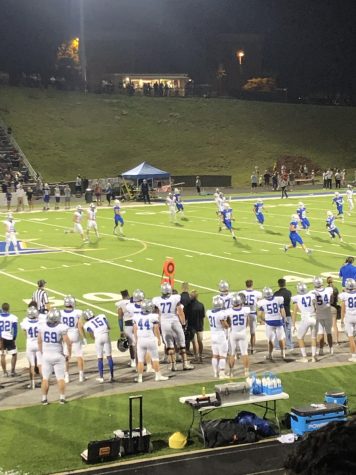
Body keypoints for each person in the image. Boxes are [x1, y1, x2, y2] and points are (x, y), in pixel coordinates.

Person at [152, 283, 194, 372]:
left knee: (169, 345)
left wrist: (157, 324)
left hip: (164, 322)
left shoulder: (157, 300)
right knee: (182, 343)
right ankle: (185, 363)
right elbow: (180, 312)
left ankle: (172, 365)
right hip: (174, 321)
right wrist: (183, 324)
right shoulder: (175, 298)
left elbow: (156, 314)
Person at [38, 309, 71, 404]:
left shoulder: (42, 327)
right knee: (60, 378)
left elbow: (39, 341)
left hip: (46, 356)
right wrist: (68, 353)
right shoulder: (61, 327)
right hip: (58, 355)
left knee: (45, 378)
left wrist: (42, 352)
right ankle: (62, 398)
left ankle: (44, 399)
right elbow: (67, 342)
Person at [133, 300, 168, 383]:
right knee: (155, 358)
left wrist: (136, 339)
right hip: (150, 339)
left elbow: (135, 329)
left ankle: (140, 378)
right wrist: (159, 339)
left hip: (140, 339)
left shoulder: (136, 316)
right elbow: (156, 328)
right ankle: (157, 376)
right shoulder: (153, 316)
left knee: (141, 360)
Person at [82, 309, 114, 383]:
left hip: (98, 338)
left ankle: (101, 377)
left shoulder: (87, 324)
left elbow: (91, 333)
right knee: (109, 356)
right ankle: (112, 376)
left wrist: (96, 338)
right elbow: (108, 326)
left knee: (100, 358)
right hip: (106, 335)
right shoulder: (101, 316)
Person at [60, 295, 86, 383]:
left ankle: (66, 375)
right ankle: (81, 375)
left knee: (66, 356)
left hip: (65, 335)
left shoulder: (60, 313)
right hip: (75, 334)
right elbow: (79, 325)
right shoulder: (77, 312)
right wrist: (83, 336)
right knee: (79, 355)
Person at [225, 293, 250, 377]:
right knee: (244, 353)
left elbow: (228, 323)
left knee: (232, 353)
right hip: (243, 333)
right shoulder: (246, 310)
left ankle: (231, 372)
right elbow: (247, 322)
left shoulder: (229, 311)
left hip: (233, 333)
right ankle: (246, 371)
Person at [258, 287, 286, 360]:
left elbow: (259, 314)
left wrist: (263, 320)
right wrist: (284, 319)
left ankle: (270, 354)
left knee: (270, 340)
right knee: (281, 338)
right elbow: (282, 310)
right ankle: (283, 353)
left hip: (269, 322)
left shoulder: (262, 302)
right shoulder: (278, 299)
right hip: (279, 321)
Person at [291, 282, 317, 363]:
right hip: (314, 317)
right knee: (313, 337)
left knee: (300, 337)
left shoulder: (296, 297)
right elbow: (315, 306)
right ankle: (313, 357)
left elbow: (294, 312)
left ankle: (304, 357)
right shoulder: (312, 295)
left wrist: (293, 324)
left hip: (306, 318)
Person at [206, 295, 229, 378]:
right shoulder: (221, 314)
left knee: (215, 355)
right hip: (220, 335)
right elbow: (225, 325)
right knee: (222, 355)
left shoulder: (209, 312)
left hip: (213, 335)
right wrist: (227, 325)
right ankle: (222, 373)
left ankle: (215, 373)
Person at [20, 306, 42, 389]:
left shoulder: (25, 322)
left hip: (30, 344)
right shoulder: (40, 322)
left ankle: (32, 383)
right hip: (38, 344)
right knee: (40, 364)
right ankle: (43, 381)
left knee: (32, 365)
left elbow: (25, 333)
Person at [239, 280, 262, 354]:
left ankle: (243, 348)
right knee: (253, 333)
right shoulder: (257, 293)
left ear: (246, 285)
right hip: (253, 313)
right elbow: (259, 303)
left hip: (244, 314)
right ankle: (252, 348)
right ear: (252, 285)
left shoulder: (241, 293)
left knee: (242, 332)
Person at [312, 276, 334, 356]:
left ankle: (321, 349)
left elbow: (312, 303)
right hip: (328, 313)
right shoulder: (329, 289)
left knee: (320, 333)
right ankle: (331, 349)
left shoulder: (313, 292)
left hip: (319, 314)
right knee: (329, 332)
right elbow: (332, 299)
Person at [116, 290, 136, 368]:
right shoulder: (134, 301)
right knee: (139, 343)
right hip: (137, 324)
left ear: (122, 296)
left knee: (131, 344)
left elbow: (120, 318)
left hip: (128, 325)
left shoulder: (121, 304)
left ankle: (133, 361)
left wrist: (121, 330)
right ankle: (141, 360)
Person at [184, 290, 205, 363]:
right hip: (200, 325)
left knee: (194, 342)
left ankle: (196, 357)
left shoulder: (188, 306)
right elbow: (203, 316)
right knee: (200, 341)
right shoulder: (201, 305)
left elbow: (185, 317)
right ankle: (200, 356)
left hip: (192, 326)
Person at [274, 278, 293, 351]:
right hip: (287, 313)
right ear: (285, 284)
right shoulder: (288, 292)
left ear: (278, 284)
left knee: (278, 331)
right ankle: (289, 345)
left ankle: (277, 345)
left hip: (279, 315)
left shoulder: (276, 294)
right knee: (288, 330)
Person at [340, 278, 356, 362]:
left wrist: (342, 320)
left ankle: (354, 356)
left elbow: (343, 309)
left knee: (351, 338)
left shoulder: (344, 295)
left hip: (349, 317)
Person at [0, 302, 18, 377]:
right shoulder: (13, 317)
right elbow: (15, 330)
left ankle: (4, 372)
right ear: (8, 308)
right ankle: (12, 371)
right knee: (14, 354)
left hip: (1, 338)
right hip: (9, 338)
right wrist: (14, 338)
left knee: (2, 355)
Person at [327, 276, 341, 345]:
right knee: (334, 325)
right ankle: (337, 341)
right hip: (334, 307)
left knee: (327, 325)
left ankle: (327, 342)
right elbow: (337, 299)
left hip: (327, 308)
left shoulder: (325, 289)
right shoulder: (335, 289)